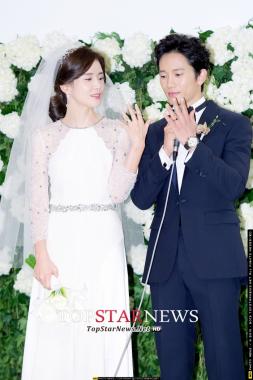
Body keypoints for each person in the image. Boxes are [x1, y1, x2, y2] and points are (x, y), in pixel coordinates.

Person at [0, 43, 150, 380]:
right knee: (58, 326)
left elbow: (115, 192)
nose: (98, 85)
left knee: (102, 322)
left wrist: (136, 146)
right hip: (60, 239)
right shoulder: (46, 136)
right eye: (88, 79)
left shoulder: (115, 131)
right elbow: (37, 197)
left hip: (104, 237)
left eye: (100, 77)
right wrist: (41, 251)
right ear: (65, 86)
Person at [131, 33, 252, 380]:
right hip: (166, 263)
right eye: (163, 75)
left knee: (224, 358)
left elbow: (232, 185)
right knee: (173, 362)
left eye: (178, 74)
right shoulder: (155, 132)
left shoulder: (234, 124)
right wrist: (166, 150)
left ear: (201, 75)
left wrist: (192, 143)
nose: (169, 83)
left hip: (215, 260)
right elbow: (141, 198)